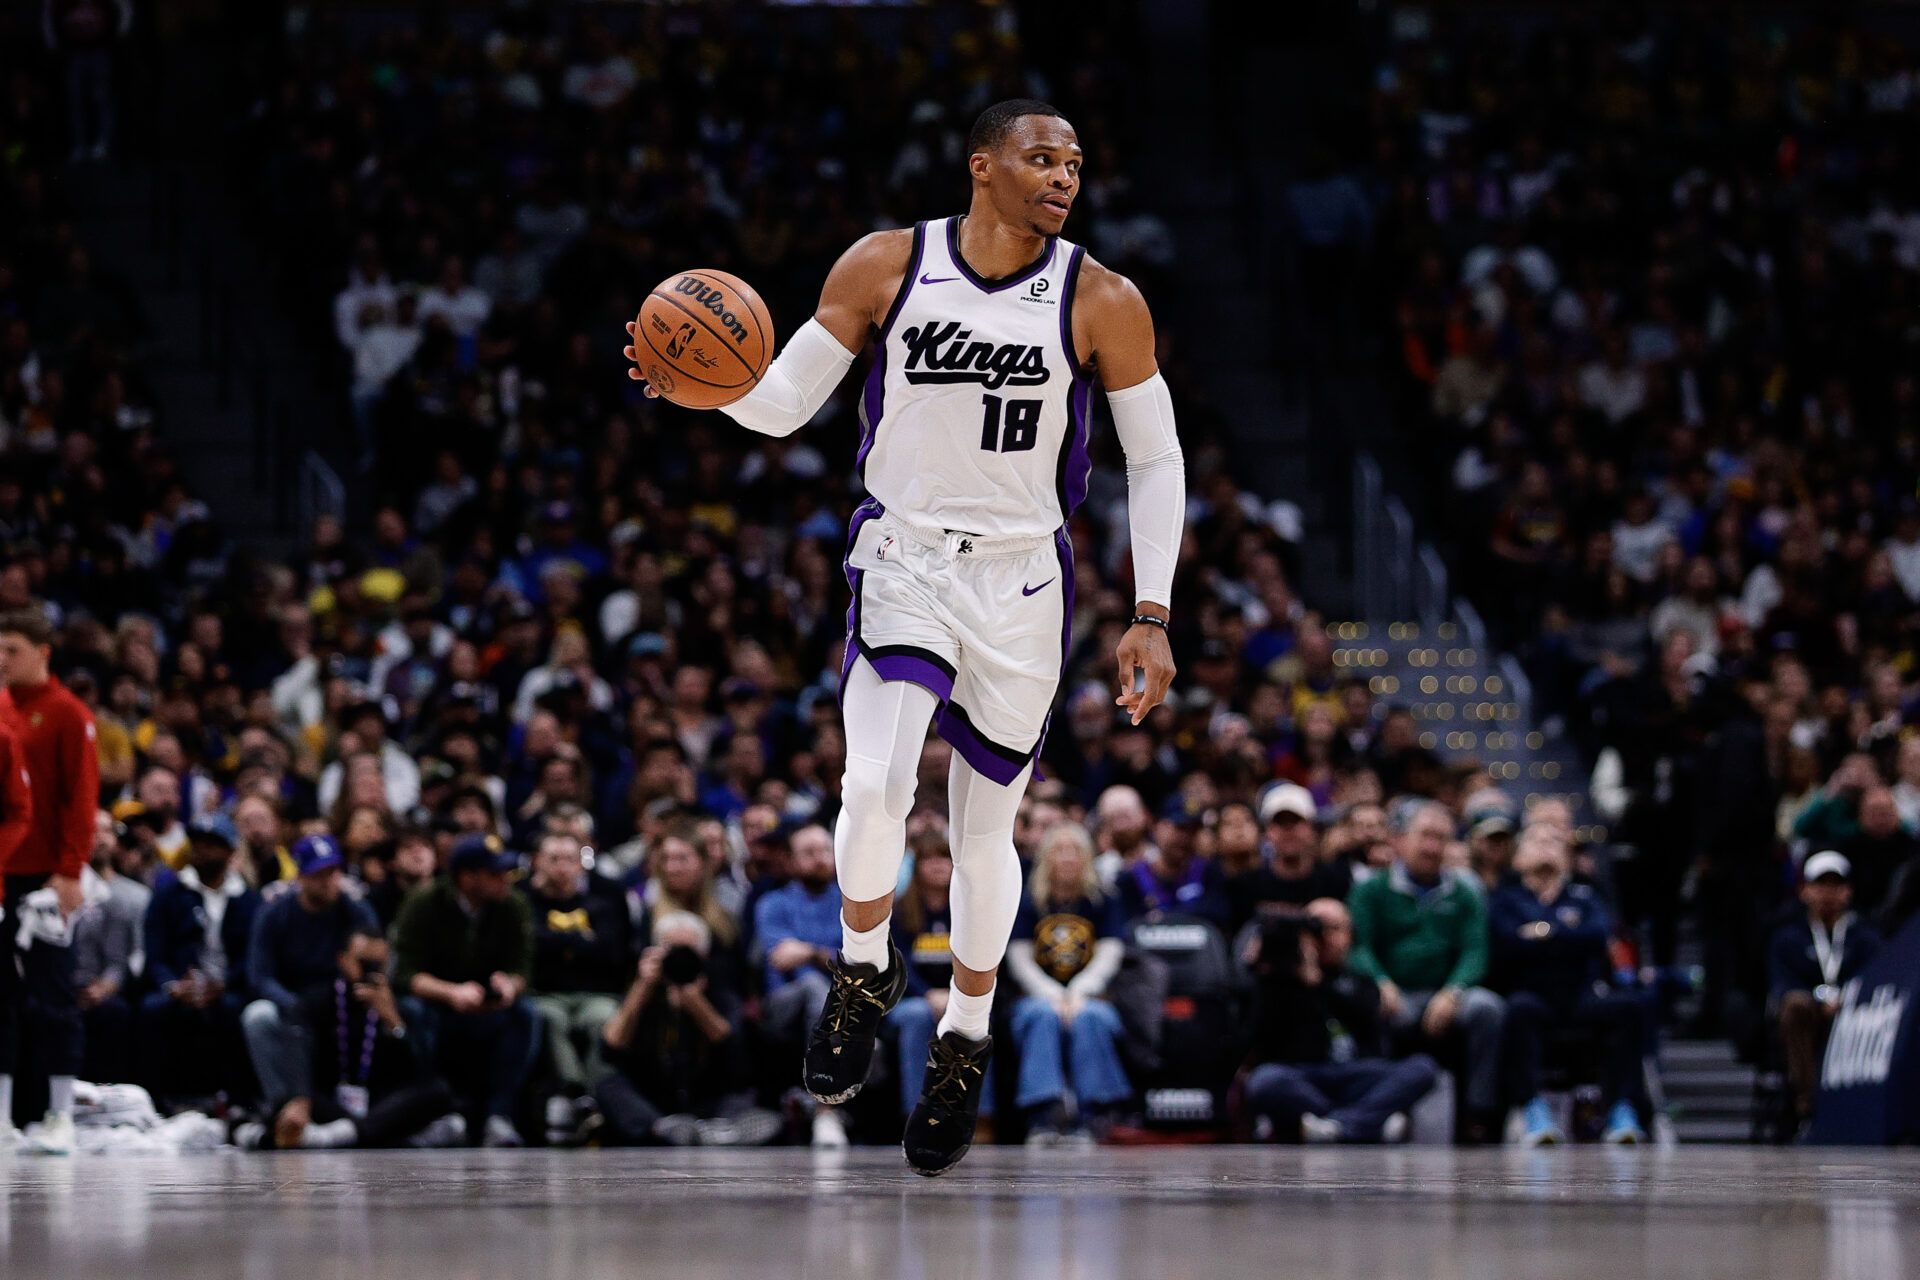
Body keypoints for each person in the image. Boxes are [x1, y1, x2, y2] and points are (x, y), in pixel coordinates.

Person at [624, 98, 1186, 1175]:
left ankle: (965, 1037)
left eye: (1074, 161)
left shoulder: (1103, 298)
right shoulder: (889, 263)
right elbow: (781, 403)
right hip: (907, 557)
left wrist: (1151, 611)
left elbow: (1155, 461)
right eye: (1040, 157)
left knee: (984, 837)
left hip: (1025, 578)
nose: (1063, 175)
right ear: (983, 165)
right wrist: (703, 391)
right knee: (874, 784)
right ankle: (863, 965)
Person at [1346, 800, 1506, 1136]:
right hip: (1396, 991)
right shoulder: (1370, 890)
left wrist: (1453, 991)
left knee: (1488, 1008)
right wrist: (1381, 982)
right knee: (1369, 1005)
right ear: (1399, 840)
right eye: (1426, 836)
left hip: (1446, 993)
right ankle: (1380, 1112)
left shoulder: (1465, 892)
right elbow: (1358, 946)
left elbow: (1475, 951)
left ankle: (1479, 1115)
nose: (1433, 847)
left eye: (1441, 838)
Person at [0, 608, 96, 1154]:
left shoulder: (67, 714)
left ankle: (60, 1115)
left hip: (46, 877)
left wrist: (70, 869)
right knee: (1, 998)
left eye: (13, 650)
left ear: (43, 652)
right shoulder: (1, 709)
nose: (3, 661)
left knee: (55, 993)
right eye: (0, 651)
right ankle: (3, 1116)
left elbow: (79, 799)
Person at [1489, 831, 1648, 1145]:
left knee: (1631, 1006)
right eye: (1537, 841)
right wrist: (1564, 936)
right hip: (1532, 995)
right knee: (1519, 1011)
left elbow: (1597, 937)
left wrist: (1541, 933)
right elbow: (1506, 944)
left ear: (1567, 859)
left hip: (1579, 995)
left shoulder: (1584, 897)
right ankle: (1532, 1109)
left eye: (1554, 842)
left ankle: (1621, 1109)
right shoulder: (1506, 899)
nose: (1546, 846)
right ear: (1518, 859)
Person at [239, 932, 462, 1151]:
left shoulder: (401, 1008)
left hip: (380, 1105)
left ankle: (339, 1137)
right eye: (364, 963)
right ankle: (384, 1139)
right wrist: (300, 1098)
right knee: (287, 1100)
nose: (370, 971)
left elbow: (420, 1074)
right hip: (332, 1104)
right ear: (342, 960)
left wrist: (393, 1022)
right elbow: (297, 1057)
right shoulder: (317, 1003)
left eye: (378, 964)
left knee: (439, 1092)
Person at [1242, 899, 1439, 1143]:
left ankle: (1334, 1126)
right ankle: (1364, 1123)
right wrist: (1262, 970)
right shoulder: (1278, 981)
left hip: (1355, 1074)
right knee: (1265, 1079)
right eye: (1316, 928)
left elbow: (1364, 1019)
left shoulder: (1361, 981)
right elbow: (1256, 1041)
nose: (1323, 937)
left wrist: (1317, 983)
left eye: (1334, 928)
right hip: (1304, 1077)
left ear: (1350, 935)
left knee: (1423, 1068)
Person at [392, 832, 540, 1148]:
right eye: (494, 873)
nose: (505, 879)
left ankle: (499, 1116)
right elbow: (405, 975)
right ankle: (441, 1114)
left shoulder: (513, 905)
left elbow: (522, 968)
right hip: (439, 1004)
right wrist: (451, 992)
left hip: (488, 1006)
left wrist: (509, 985)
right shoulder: (425, 902)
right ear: (467, 877)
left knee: (526, 1014)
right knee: (413, 1013)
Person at [594, 910, 777, 1147]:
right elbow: (611, 1046)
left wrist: (694, 1001)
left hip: (708, 1096)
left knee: (745, 1096)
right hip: (653, 1098)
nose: (680, 959)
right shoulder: (643, 990)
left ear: (703, 955)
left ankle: (712, 1130)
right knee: (608, 1085)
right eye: (672, 951)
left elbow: (733, 1050)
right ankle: (666, 1129)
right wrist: (643, 985)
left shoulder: (719, 990)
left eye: (687, 952)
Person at [1005, 824, 1132, 1145]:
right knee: (1041, 1016)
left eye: (1075, 850)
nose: (1067, 858)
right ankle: (1044, 1115)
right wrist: (1053, 995)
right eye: (1059, 850)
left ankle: (1093, 1116)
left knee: (1092, 1017)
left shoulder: (1103, 900)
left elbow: (1110, 953)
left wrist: (1078, 993)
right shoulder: (1028, 900)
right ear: (1046, 858)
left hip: (1092, 996)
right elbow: (1018, 957)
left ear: (1087, 858)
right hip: (1037, 996)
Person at [243, 834, 380, 1123]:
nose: (329, 882)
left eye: (333, 873)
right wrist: (289, 1001)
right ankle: (282, 1107)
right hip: (292, 1001)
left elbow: (375, 965)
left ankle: (371, 1109)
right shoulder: (275, 914)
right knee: (258, 1016)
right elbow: (260, 975)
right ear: (301, 877)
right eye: (319, 875)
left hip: (342, 1002)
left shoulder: (356, 911)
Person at [140, 814, 261, 1108]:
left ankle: (238, 1102)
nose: (204, 852)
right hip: (180, 984)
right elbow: (154, 953)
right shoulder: (169, 894)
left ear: (231, 852)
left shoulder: (248, 900)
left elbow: (253, 957)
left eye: (213, 845)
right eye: (199, 844)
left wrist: (225, 984)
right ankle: (156, 1100)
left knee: (236, 1010)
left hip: (228, 986)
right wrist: (172, 985)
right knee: (153, 1009)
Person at [519, 831, 631, 1139]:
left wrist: (555, 944)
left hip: (595, 993)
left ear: (581, 865)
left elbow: (611, 952)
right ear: (537, 862)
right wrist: (580, 942)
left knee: (604, 1020)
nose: (562, 867)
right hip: (546, 993)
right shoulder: (524, 901)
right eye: (553, 859)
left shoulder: (602, 903)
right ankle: (580, 1094)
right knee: (549, 1019)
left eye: (570, 859)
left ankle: (596, 1096)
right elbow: (530, 947)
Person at [750, 822, 848, 1148]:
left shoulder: (851, 904)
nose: (820, 859)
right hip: (783, 1003)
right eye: (809, 853)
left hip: (843, 1000)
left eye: (824, 851)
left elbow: (860, 963)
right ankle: (826, 1109)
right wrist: (828, 958)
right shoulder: (772, 903)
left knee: (822, 989)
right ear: (791, 861)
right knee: (811, 985)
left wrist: (809, 951)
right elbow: (781, 958)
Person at [888, 830, 995, 1127]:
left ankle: (980, 1117)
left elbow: (981, 959)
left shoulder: (971, 909)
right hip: (913, 999)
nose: (938, 866)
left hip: (961, 995)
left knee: (976, 1020)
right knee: (916, 1017)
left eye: (945, 857)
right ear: (916, 865)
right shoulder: (900, 913)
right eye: (930, 858)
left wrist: (958, 996)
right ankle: (917, 1114)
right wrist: (927, 994)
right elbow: (898, 963)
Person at [1769, 852, 1883, 1129]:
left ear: (1848, 892)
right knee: (1795, 1005)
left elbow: (1875, 979)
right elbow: (1783, 984)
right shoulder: (1788, 938)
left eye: (1835, 886)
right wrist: (1821, 1000)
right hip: (1806, 1015)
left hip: (1855, 1015)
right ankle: (1808, 1102)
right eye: (1820, 885)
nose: (1828, 893)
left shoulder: (1866, 938)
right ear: (1804, 891)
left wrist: (1845, 998)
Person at [72, 810, 145, 1085]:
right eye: (91, 830)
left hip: (107, 989)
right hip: (63, 986)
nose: (99, 839)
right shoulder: (56, 889)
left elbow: (125, 959)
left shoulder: (134, 897)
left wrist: (104, 988)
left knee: (117, 1012)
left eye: (106, 831)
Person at [1117, 795, 1228, 927]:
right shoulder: (1131, 880)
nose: (1186, 838)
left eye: (1193, 830)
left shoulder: (1209, 874)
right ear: (1157, 827)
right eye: (1180, 828)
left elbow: (1219, 917)